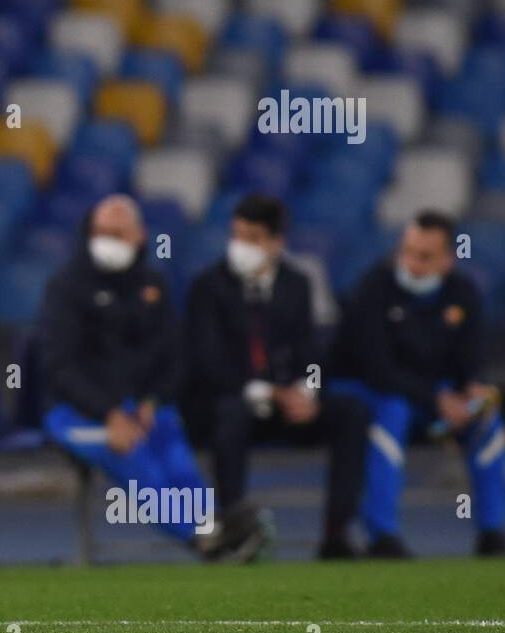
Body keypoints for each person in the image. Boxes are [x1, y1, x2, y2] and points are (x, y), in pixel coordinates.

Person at [38, 195, 230, 557]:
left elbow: (174, 356)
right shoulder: (65, 287)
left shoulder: (153, 285)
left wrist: (152, 402)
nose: (107, 240)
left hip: (137, 406)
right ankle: (205, 539)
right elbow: (58, 367)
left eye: (117, 233)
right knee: (133, 454)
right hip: (73, 413)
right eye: (100, 232)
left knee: (173, 446)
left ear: (140, 237)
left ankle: (212, 526)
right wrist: (109, 413)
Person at [184, 194, 368, 559]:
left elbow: (312, 354)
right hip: (233, 401)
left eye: (252, 238)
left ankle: (336, 535)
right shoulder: (209, 286)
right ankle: (237, 532)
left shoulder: (296, 284)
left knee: (351, 413)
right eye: (237, 236)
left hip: (288, 406)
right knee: (230, 413)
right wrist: (267, 391)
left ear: (276, 242)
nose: (241, 247)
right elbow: (207, 361)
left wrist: (308, 391)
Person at [330, 211, 505, 557]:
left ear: (448, 259)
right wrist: (437, 398)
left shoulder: (463, 293)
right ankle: (382, 534)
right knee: (390, 412)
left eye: (424, 257)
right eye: (407, 252)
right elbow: (376, 368)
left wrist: (472, 389)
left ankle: (492, 532)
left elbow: (469, 359)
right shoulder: (375, 287)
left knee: (487, 417)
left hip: (436, 398)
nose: (412, 264)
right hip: (379, 392)